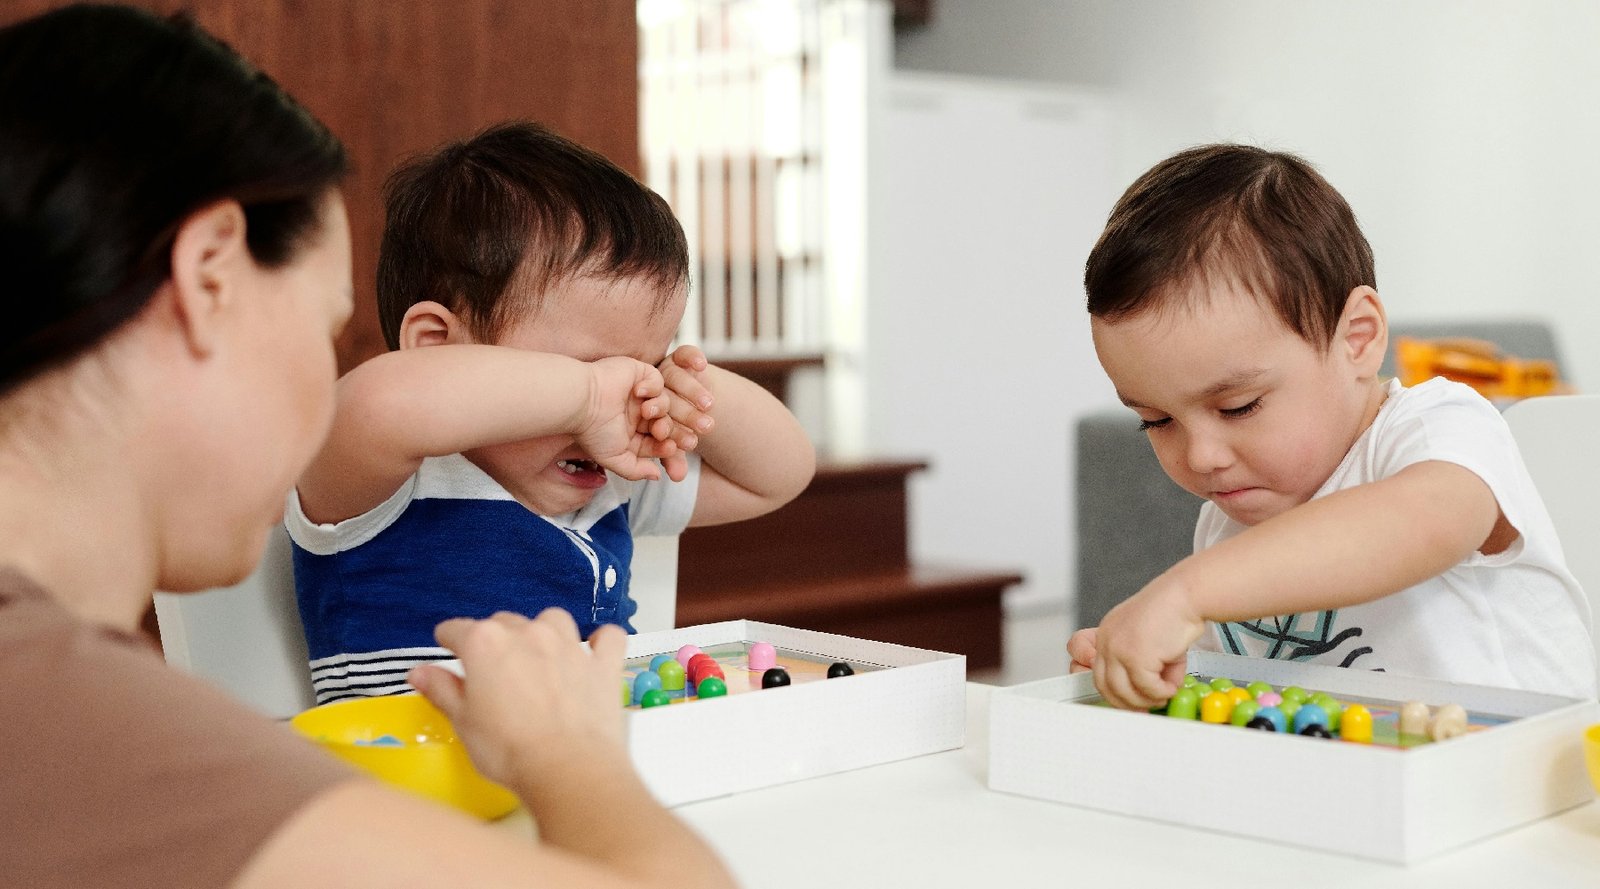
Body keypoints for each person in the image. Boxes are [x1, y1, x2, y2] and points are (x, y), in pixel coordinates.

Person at [0, 6, 735, 888]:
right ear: (208, 280)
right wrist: (573, 757)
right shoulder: (76, 725)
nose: (331, 387)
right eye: (325, 327)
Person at [287, 121, 816, 704]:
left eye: (639, 368)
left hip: (589, 778)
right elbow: (379, 404)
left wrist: (684, 384)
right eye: (586, 368)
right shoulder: (385, 486)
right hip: (419, 788)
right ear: (438, 346)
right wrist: (586, 395)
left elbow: (781, 474)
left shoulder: (611, 479)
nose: (618, 399)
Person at [1067, 143, 1596, 710]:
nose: (1200, 456)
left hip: (1535, 780)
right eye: (1156, 421)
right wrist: (1152, 662)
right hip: (1364, 783)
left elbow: (1430, 520)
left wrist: (1189, 590)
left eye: (1239, 406)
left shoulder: (1435, 427)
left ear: (1357, 339)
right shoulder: (1230, 524)